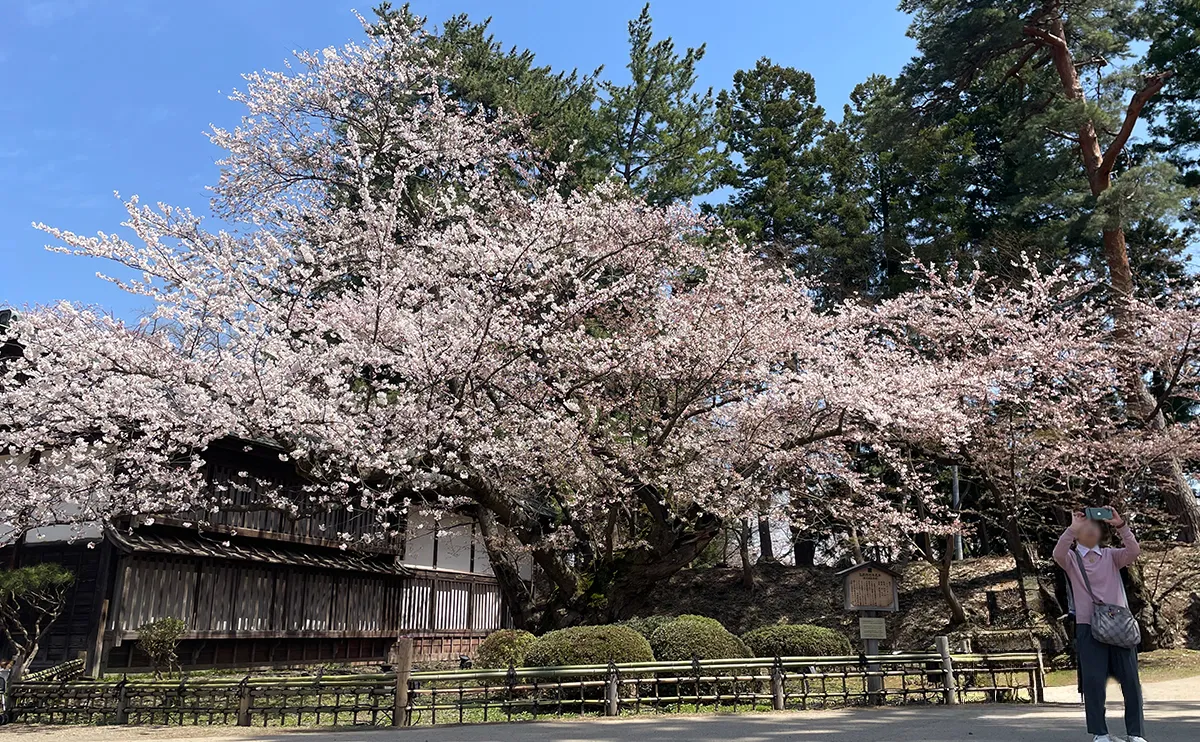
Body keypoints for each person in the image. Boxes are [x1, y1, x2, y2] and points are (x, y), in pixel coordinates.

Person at [1053, 506, 1144, 742]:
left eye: (1095, 527)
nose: (1091, 532)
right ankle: (1100, 733)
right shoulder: (1072, 559)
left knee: (1131, 681)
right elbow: (1058, 554)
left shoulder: (1112, 555)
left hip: (1120, 625)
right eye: (1086, 528)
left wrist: (1120, 525)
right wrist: (1071, 529)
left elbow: (1134, 551)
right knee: (1093, 682)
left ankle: (1135, 733)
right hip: (1087, 626)